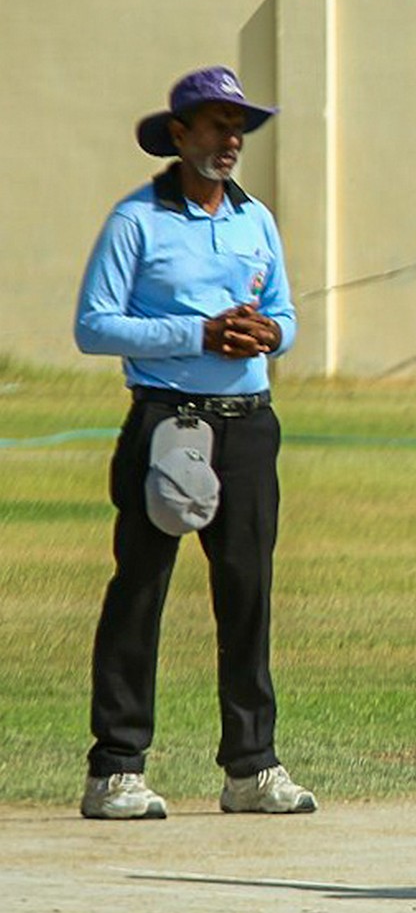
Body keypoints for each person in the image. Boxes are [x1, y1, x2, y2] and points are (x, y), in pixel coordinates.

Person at [73, 66, 316, 819]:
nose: (231, 140)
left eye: (238, 127)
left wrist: (269, 333)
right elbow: (94, 325)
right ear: (179, 134)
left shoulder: (255, 219)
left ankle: (252, 767)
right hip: (167, 421)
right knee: (141, 587)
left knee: (247, 592)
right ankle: (116, 769)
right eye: (216, 125)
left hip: (248, 423)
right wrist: (197, 333)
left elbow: (286, 314)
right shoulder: (136, 220)